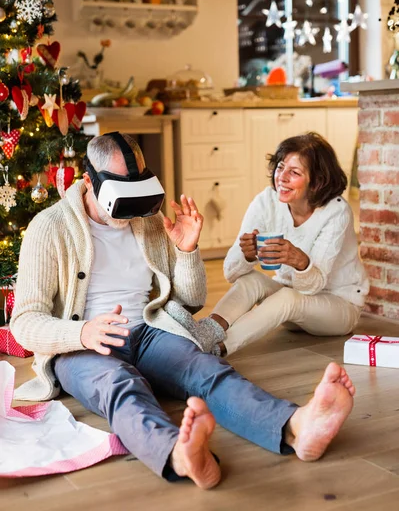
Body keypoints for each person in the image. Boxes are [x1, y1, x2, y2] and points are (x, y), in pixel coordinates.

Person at [11, 131, 356, 490]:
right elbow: (23, 321)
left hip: (146, 331)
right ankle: (178, 454)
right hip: (82, 344)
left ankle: (296, 427)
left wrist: (188, 250)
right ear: (89, 181)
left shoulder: (147, 217)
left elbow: (190, 302)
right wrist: (81, 333)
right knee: (121, 386)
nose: (132, 207)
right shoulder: (49, 228)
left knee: (206, 368)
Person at [197, 132, 369, 357]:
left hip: (338, 307)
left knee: (289, 298)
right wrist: (246, 255)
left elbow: (312, 287)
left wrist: (300, 262)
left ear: (316, 181)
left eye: (294, 172)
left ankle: (217, 350)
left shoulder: (336, 211)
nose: (282, 178)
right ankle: (204, 334)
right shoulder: (266, 201)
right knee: (251, 280)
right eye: (280, 167)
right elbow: (231, 272)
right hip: (288, 304)